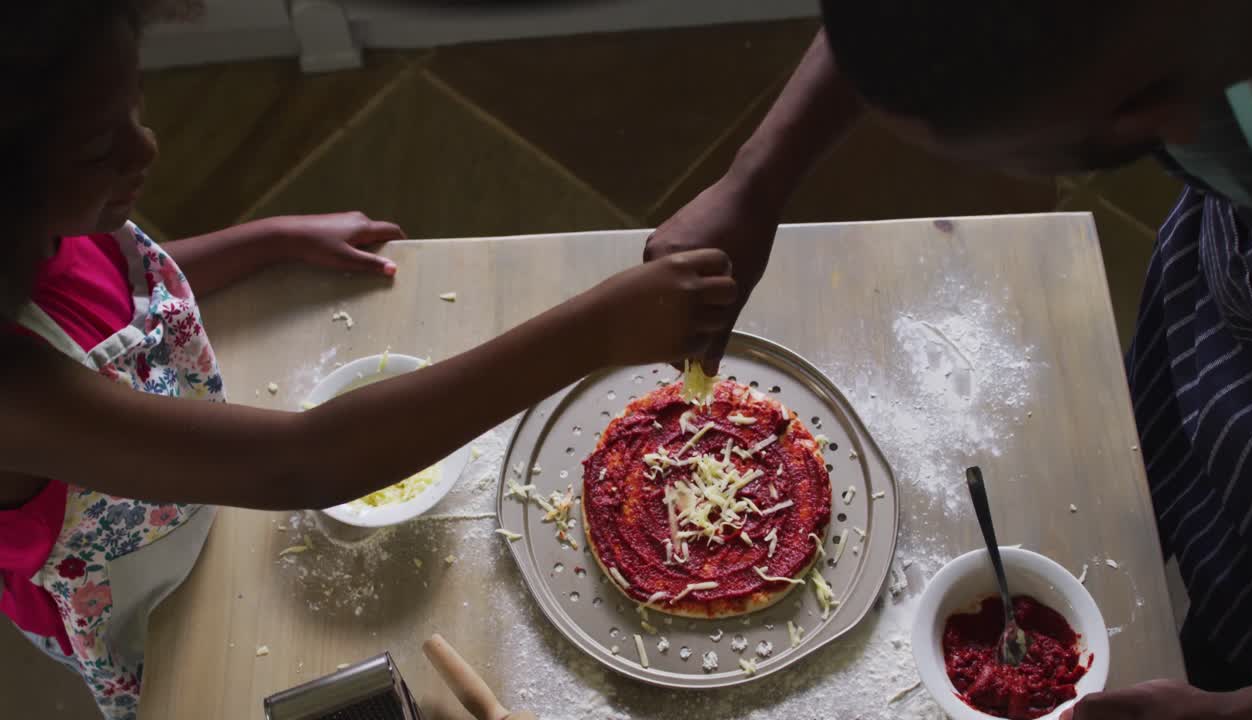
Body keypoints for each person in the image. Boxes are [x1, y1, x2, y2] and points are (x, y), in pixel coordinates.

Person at [0, 3, 737, 717]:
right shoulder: (16, 397)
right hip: (140, 598)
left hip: (191, 490)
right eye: (100, 145)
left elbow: (127, 293)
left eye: (136, 105)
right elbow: (306, 461)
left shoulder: (47, 230)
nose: (145, 148)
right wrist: (595, 331)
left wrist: (269, 241)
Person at [646, 2, 1252, 718]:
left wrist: (1237, 710)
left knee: (1237, 623)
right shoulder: (1161, 50)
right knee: (1138, 499)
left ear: (1159, 119)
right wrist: (757, 181)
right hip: (1223, 278)